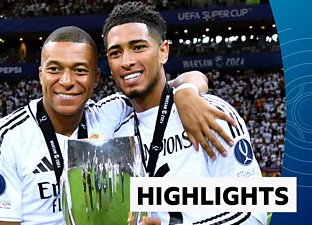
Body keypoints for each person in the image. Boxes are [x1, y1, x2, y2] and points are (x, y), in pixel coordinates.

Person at [0, 26, 233, 225]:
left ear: (96, 78)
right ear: (40, 74)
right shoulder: (6, 136)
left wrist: (187, 91)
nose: (66, 80)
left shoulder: (109, 114)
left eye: (80, 70)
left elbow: (167, 84)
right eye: (54, 69)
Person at [104, 2, 267, 225]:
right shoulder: (115, 131)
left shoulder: (211, 112)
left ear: (163, 51)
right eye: (116, 52)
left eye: (139, 47)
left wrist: (186, 90)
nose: (127, 61)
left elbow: (252, 213)